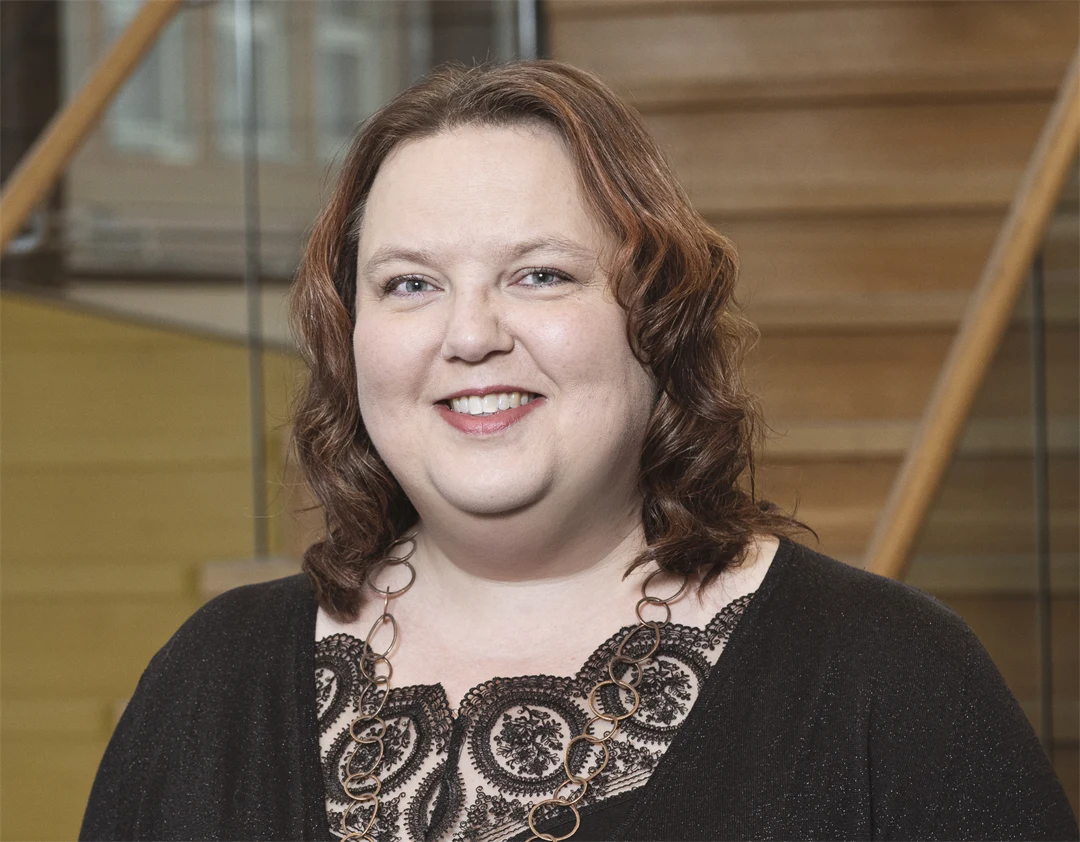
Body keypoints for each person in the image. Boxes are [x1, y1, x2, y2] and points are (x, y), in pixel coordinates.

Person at [79, 59, 1077, 842]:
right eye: (409, 284)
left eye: (541, 274)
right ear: (350, 338)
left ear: (658, 318)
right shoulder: (208, 683)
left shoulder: (893, 679)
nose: (469, 335)